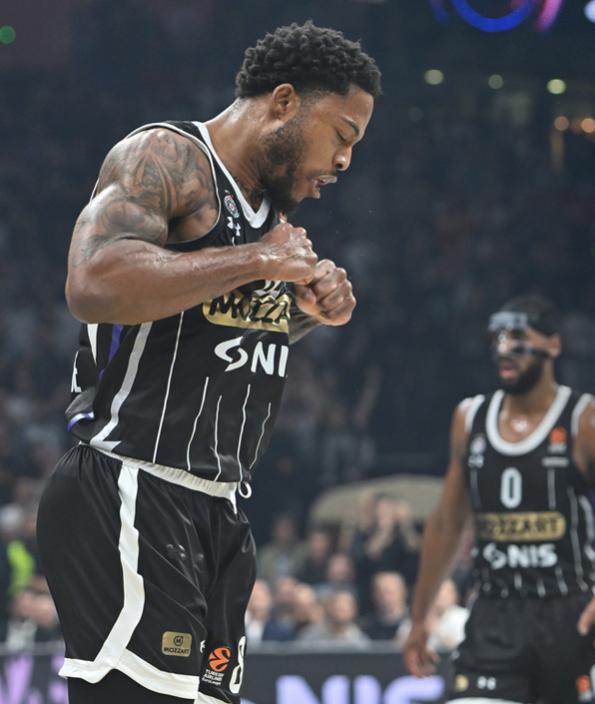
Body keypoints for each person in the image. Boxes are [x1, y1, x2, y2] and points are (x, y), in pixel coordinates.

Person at [37, 21, 380, 704]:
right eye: (342, 135)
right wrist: (257, 260)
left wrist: (307, 313)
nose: (345, 161)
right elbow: (93, 282)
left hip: (218, 508)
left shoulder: (269, 214)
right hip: (132, 485)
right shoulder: (165, 156)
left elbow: (206, 333)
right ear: (284, 102)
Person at [402, 295, 595, 704]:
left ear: (553, 345)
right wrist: (419, 617)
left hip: (571, 616)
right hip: (495, 616)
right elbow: (446, 525)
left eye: (518, 338)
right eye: (497, 338)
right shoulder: (469, 419)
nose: (504, 349)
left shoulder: (588, 423)